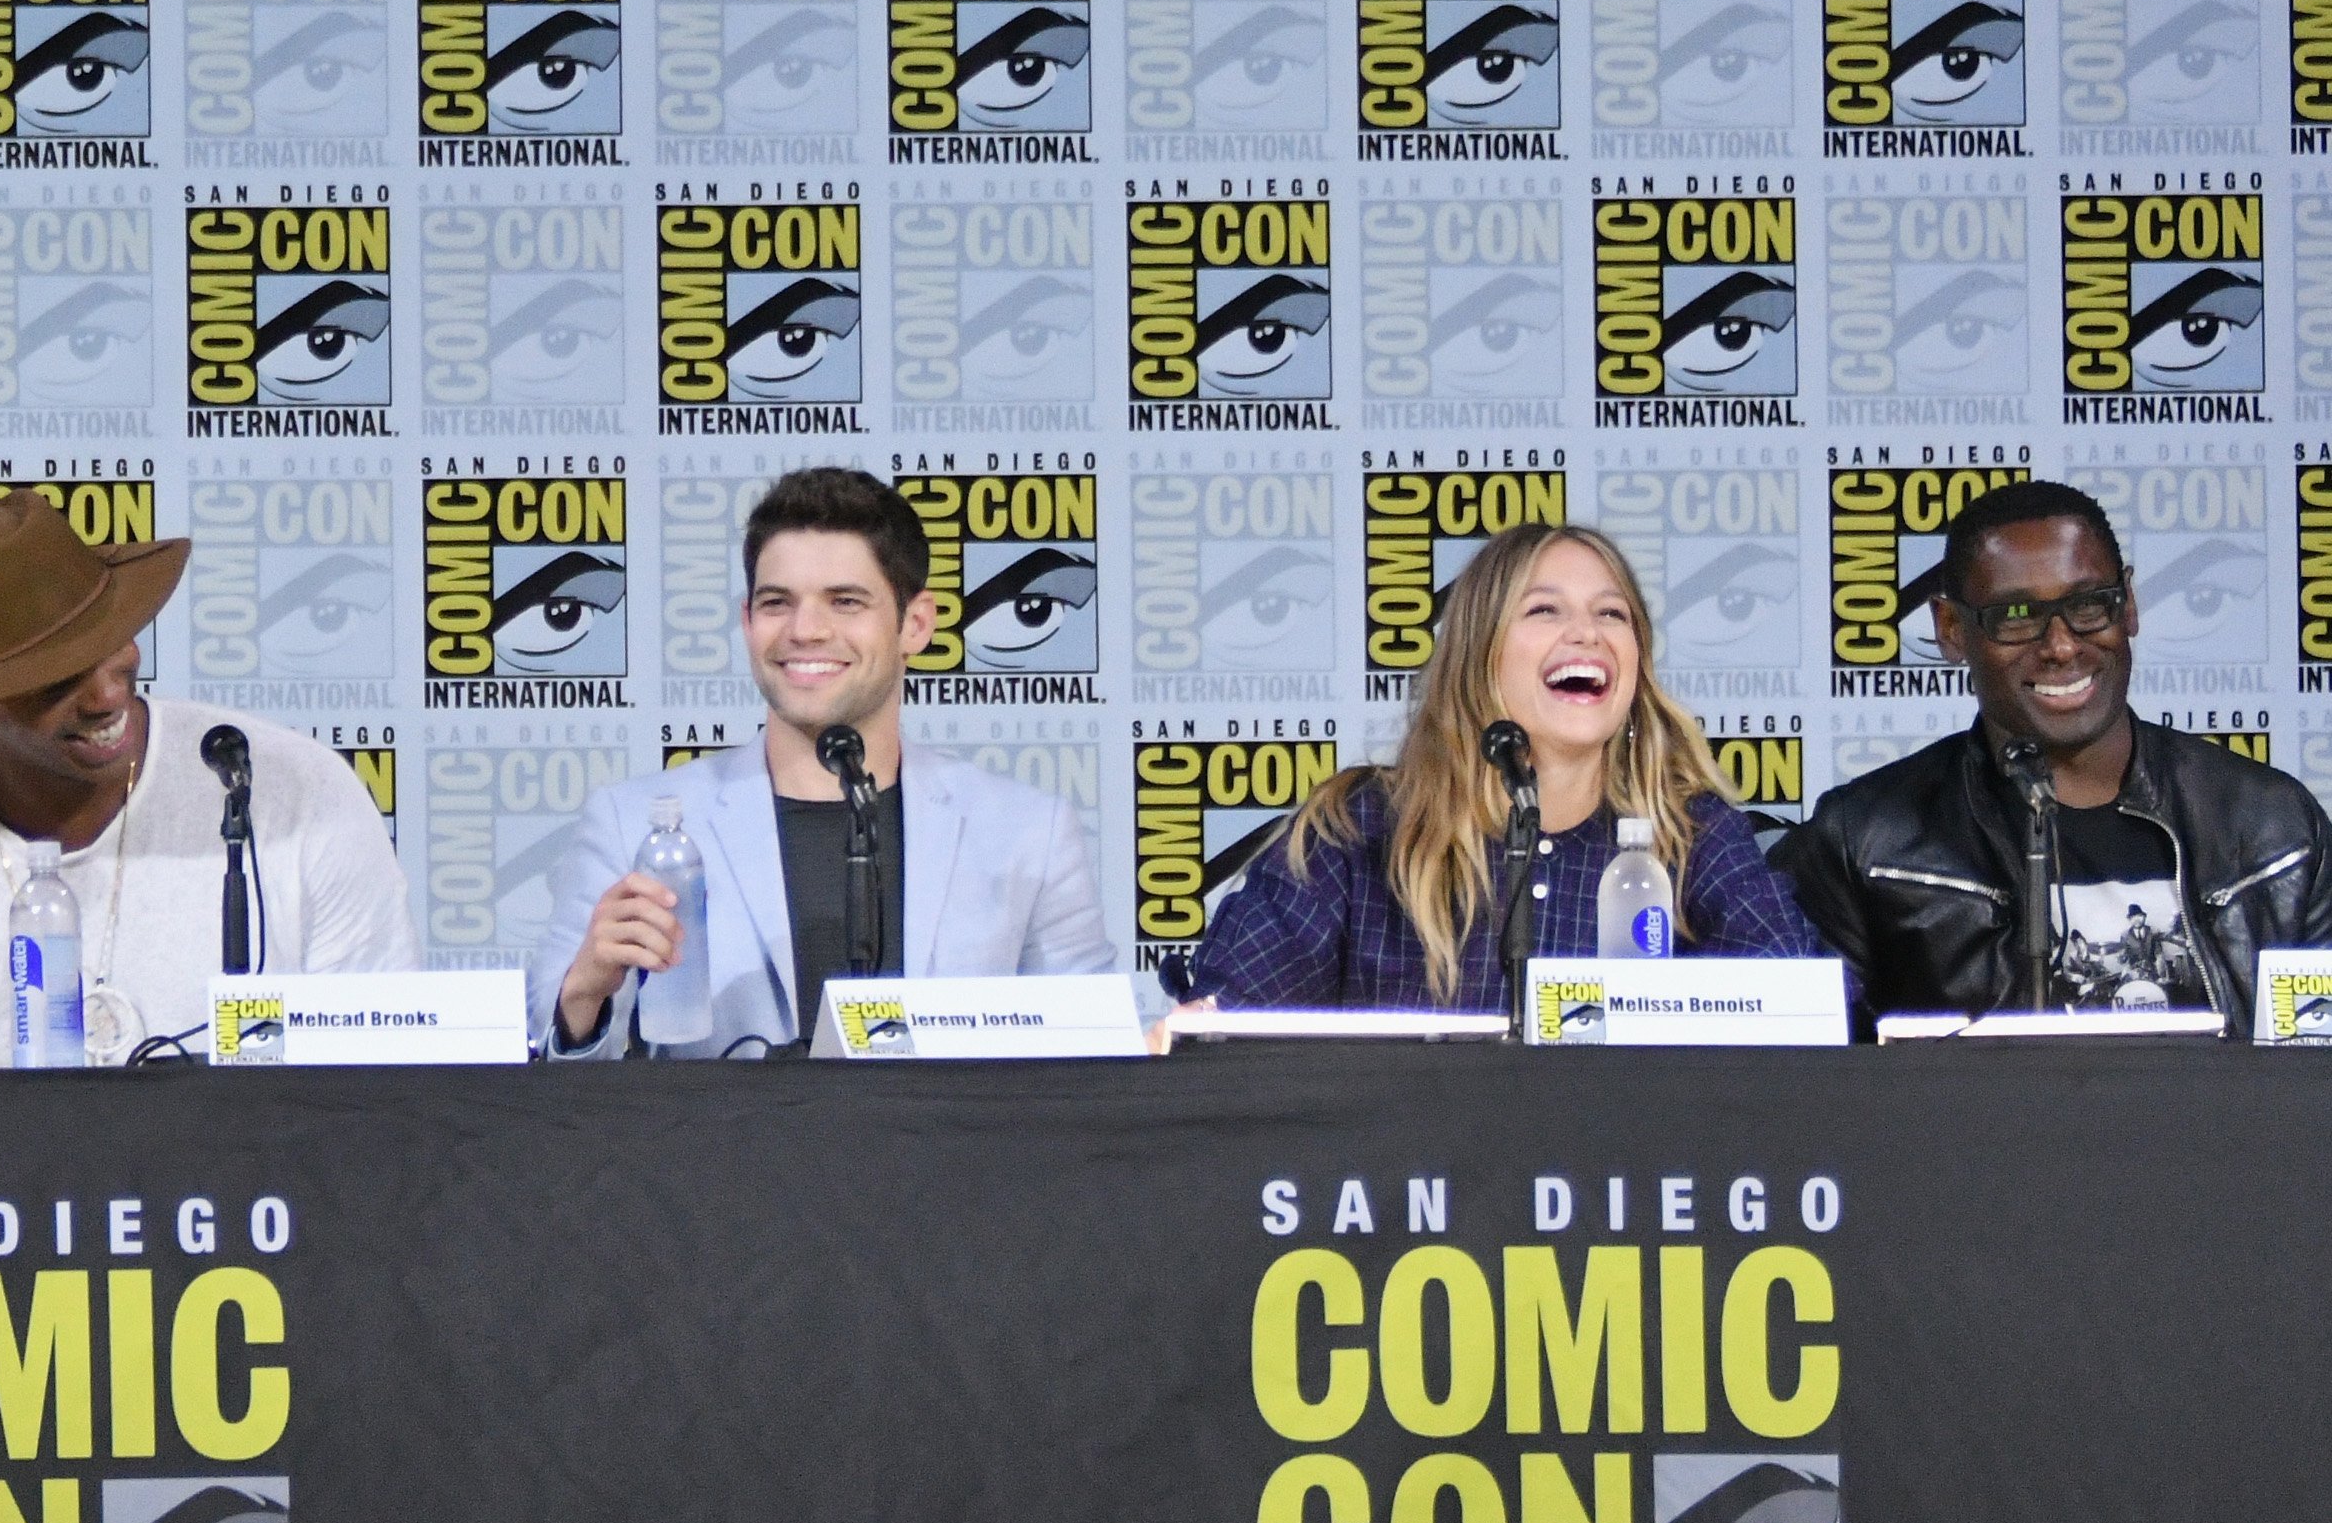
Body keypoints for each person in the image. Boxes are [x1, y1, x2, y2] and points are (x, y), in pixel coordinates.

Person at [0, 489, 414, 1066]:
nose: (107, 695)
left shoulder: (294, 795)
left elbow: (382, 1097)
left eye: (112, 642)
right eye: (55, 680)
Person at [541, 466, 1110, 1057]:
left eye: (845, 602)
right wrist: (584, 996)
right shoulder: (630, 823)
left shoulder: (1027, 831)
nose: (805, 630)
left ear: (915, 624)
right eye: (776, 603)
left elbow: (1094, 1064)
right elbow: (542, 1071)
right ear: (747, 622)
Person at [1181, 522, 1818, 1008]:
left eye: (1612, 614)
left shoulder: (1691, 834)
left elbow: (1804, 1006)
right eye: (1545, 610)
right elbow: (1230, 1026)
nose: (1587, 633)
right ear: (1478, 655)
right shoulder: (1358, 830)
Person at [1776, 477, 2332, 1032]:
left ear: (2129, 607)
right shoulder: (1863, 842)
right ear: (1951, 630)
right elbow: (1798, 1081)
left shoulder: (2277, 830)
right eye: (2015, 615)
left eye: (2089, 605)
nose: (2062, 646)